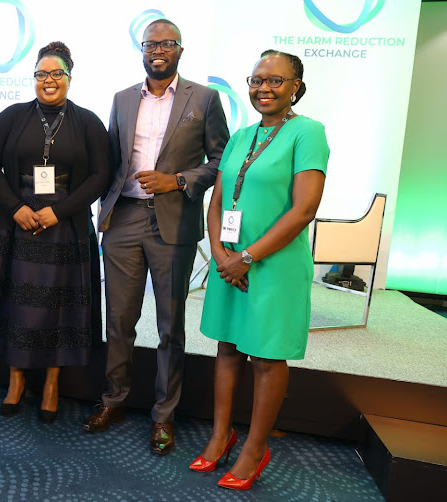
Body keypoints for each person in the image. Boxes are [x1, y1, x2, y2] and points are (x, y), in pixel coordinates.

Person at [82, 19, 229, 454]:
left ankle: (163, 416)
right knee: (120, 321)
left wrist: (178, 180)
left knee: (170, 325)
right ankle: (114, 400)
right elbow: (110, 157)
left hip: (172, 220)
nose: (157, 50)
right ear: (142, 50)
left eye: (166, 43)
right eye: (150, 44)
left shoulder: (204, 98)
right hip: (124, 218)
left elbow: (221, 158)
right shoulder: (123, 98)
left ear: (180, 50)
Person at [191, 50, 329, 490]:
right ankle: (220, 436)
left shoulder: (308, 132)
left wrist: (246, 257)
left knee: (267, 357)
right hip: (228, 264)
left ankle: (255, 447)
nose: (263, 89)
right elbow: (216, 201)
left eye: (275, 81)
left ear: (296, 87)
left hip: (272, 266)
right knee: (228, 349)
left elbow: (304, 208)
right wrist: (219, 253)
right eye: (256, 80)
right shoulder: (242, 135)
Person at [0, 41, 109, 424]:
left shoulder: (88, 122)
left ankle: (51, 384)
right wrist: (16, 208)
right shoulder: (11, 116)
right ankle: (15, 380)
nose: (49, 80)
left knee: (58, 310)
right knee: (13, 304)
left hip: (66, 228)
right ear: (34, 78)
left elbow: (100, 175)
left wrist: (58, 211)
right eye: (41, 74)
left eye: (56, 74)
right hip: (14, 224)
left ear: (69, 78)